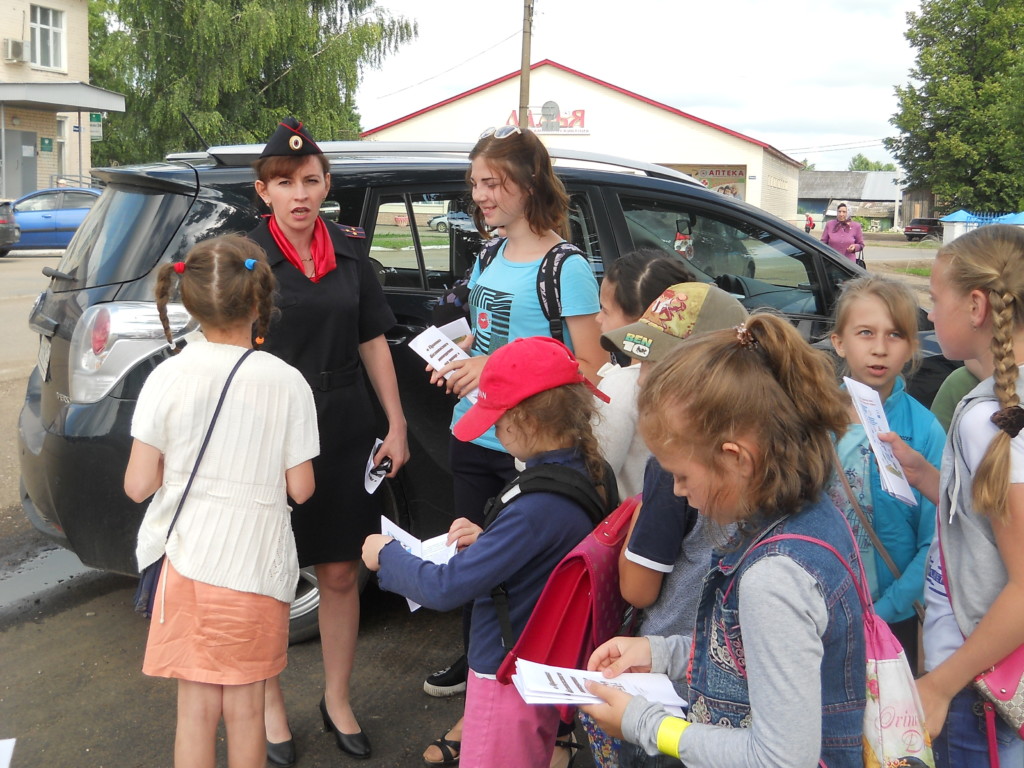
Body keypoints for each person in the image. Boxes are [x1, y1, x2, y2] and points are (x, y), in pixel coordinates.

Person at [581, 313, 867, 767]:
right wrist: (661, 652)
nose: (677, 490)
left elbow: (781, 758)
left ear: (736, 458)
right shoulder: (807, 514)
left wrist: (647, 724)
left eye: (682, 474)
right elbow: (753, 654)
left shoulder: (773, 578)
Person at [422, 125, 604, 765]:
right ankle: (482, 685)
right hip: (474, 429)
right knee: (473, 555)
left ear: (529, 185)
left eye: (493, 183)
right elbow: (485, 329)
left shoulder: (567, 266)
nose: (482, 197)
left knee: (526, 579)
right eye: (475, 185)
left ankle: (530, 713)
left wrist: (496, 369)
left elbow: (589, 364)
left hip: (532, 444)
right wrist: (461, 354)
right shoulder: (487, 253)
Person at [363, 336, 611, 768]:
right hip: (540, 663)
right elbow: (548, 549)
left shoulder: (536, 508)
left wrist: (387, 556)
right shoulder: (589, 468)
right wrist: (490, 539)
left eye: (497, 419)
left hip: (506, 671)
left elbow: (444, 588)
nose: (492, 430)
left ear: (527, 419)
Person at [247, 118, 410, 764]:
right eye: (284, 183)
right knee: (268, 577)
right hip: (269, 431)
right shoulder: (246, 258)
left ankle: (337, 698)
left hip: (344, 426)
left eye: (310, 181)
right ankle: (270, 707)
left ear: (327, 185)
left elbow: (374, 339)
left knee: (342, 571)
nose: (299, 194)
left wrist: (396, 423)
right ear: (264, 193)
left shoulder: (349, 254)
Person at [124, 235, 319, 768]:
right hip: (256, 565)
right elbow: (301, 488)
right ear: (258, 303)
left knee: (194, 713)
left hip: (186, 562)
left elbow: (138, 485)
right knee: (246, 710)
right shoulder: (287, 382)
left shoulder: (166, 375)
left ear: (188, 302)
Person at [879, 224, 1024, 766]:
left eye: (935, 299)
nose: (930, 315)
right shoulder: (994, 406)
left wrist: (940, 685)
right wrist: (927, 480)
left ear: (977, 306)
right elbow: (998, 521)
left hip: (980, 684)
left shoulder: (994, 418)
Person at [587, 281, 747, 768]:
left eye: (655, 367)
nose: (639, 381)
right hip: (723, 675)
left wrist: (637, 518)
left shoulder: (672, 464)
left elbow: (638, 590)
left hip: (673, 692)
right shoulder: (787, 457)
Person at [826, 275, 945, 672]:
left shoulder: (924, 429)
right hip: (817, 614)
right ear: (839, 341)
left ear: (911, 346)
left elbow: (935, 541)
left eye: (895, 335)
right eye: (865, 333)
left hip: (894, 623)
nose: (879, 348)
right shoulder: (813, 421)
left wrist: (885, 611)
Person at [593, 251, 695, 498]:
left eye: (605, 311)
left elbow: (597, 476)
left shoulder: (623, 385)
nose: (597, 319)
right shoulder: (695, 373)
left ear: (640, 322)